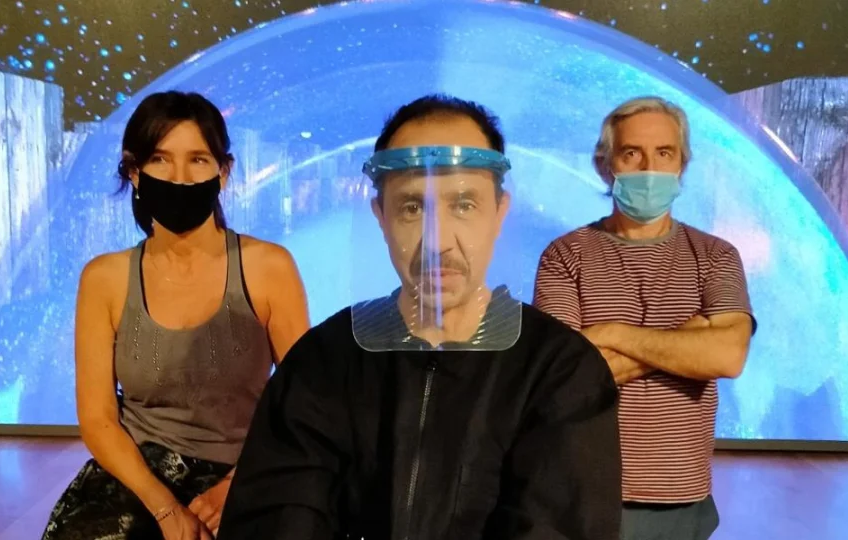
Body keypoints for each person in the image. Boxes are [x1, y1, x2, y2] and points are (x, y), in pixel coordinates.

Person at [217, 94, 622, 539]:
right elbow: (279, 519)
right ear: (381, 216)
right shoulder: (324, 362)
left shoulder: (558, 370)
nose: (437, 241)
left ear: (499, 212)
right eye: (412, 207)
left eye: (464, 204)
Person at [41, 91, 311, 540]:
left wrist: (239, 484)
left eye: (198, 160)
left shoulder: (269, 267)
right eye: (160, 160)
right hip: (139, 477)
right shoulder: (104, 278)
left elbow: (304, 399)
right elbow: (98, 419)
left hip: (248, 469)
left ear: (224, 172)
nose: (180, 178)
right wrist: (165, 509)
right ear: (135, 173)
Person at [533, 96, 756, 540]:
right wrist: (687, 340)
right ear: (605, 166)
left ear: (682, 164)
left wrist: (610, 334)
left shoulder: (715, 257)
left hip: (682, 498)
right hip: (583, 490)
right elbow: (567, 379)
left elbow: (728, 356)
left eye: (664, 153)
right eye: (632, 153)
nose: (649, 169)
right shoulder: (565, 256)